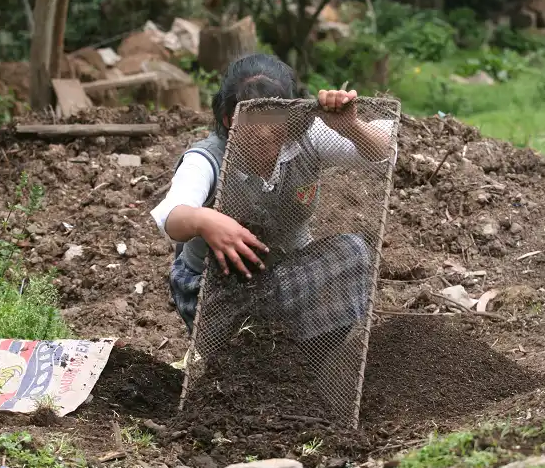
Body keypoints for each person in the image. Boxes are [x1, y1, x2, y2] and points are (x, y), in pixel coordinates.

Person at [149, 53, 397, 351]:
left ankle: (305, 367)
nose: (265, 131)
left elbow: (382, 150)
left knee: (352, 252)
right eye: (254, 117)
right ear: (230, 119)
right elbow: (171, 217)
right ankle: (260, 360)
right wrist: (205, 220)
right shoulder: (207, 159)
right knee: (253, 347)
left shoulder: (306, 139)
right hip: (216, 292)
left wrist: (350, 126)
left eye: (274, 116)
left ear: (290, 114)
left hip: (287, 276)